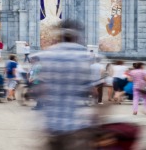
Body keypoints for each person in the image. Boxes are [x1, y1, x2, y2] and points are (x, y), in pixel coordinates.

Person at [34, 20, 99, 149]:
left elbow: (40, 89)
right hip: (77, 125)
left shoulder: (47, 55)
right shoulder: (86, 57)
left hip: (51, 124)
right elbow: (93, 91)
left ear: (59, 36)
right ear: (77, 36)